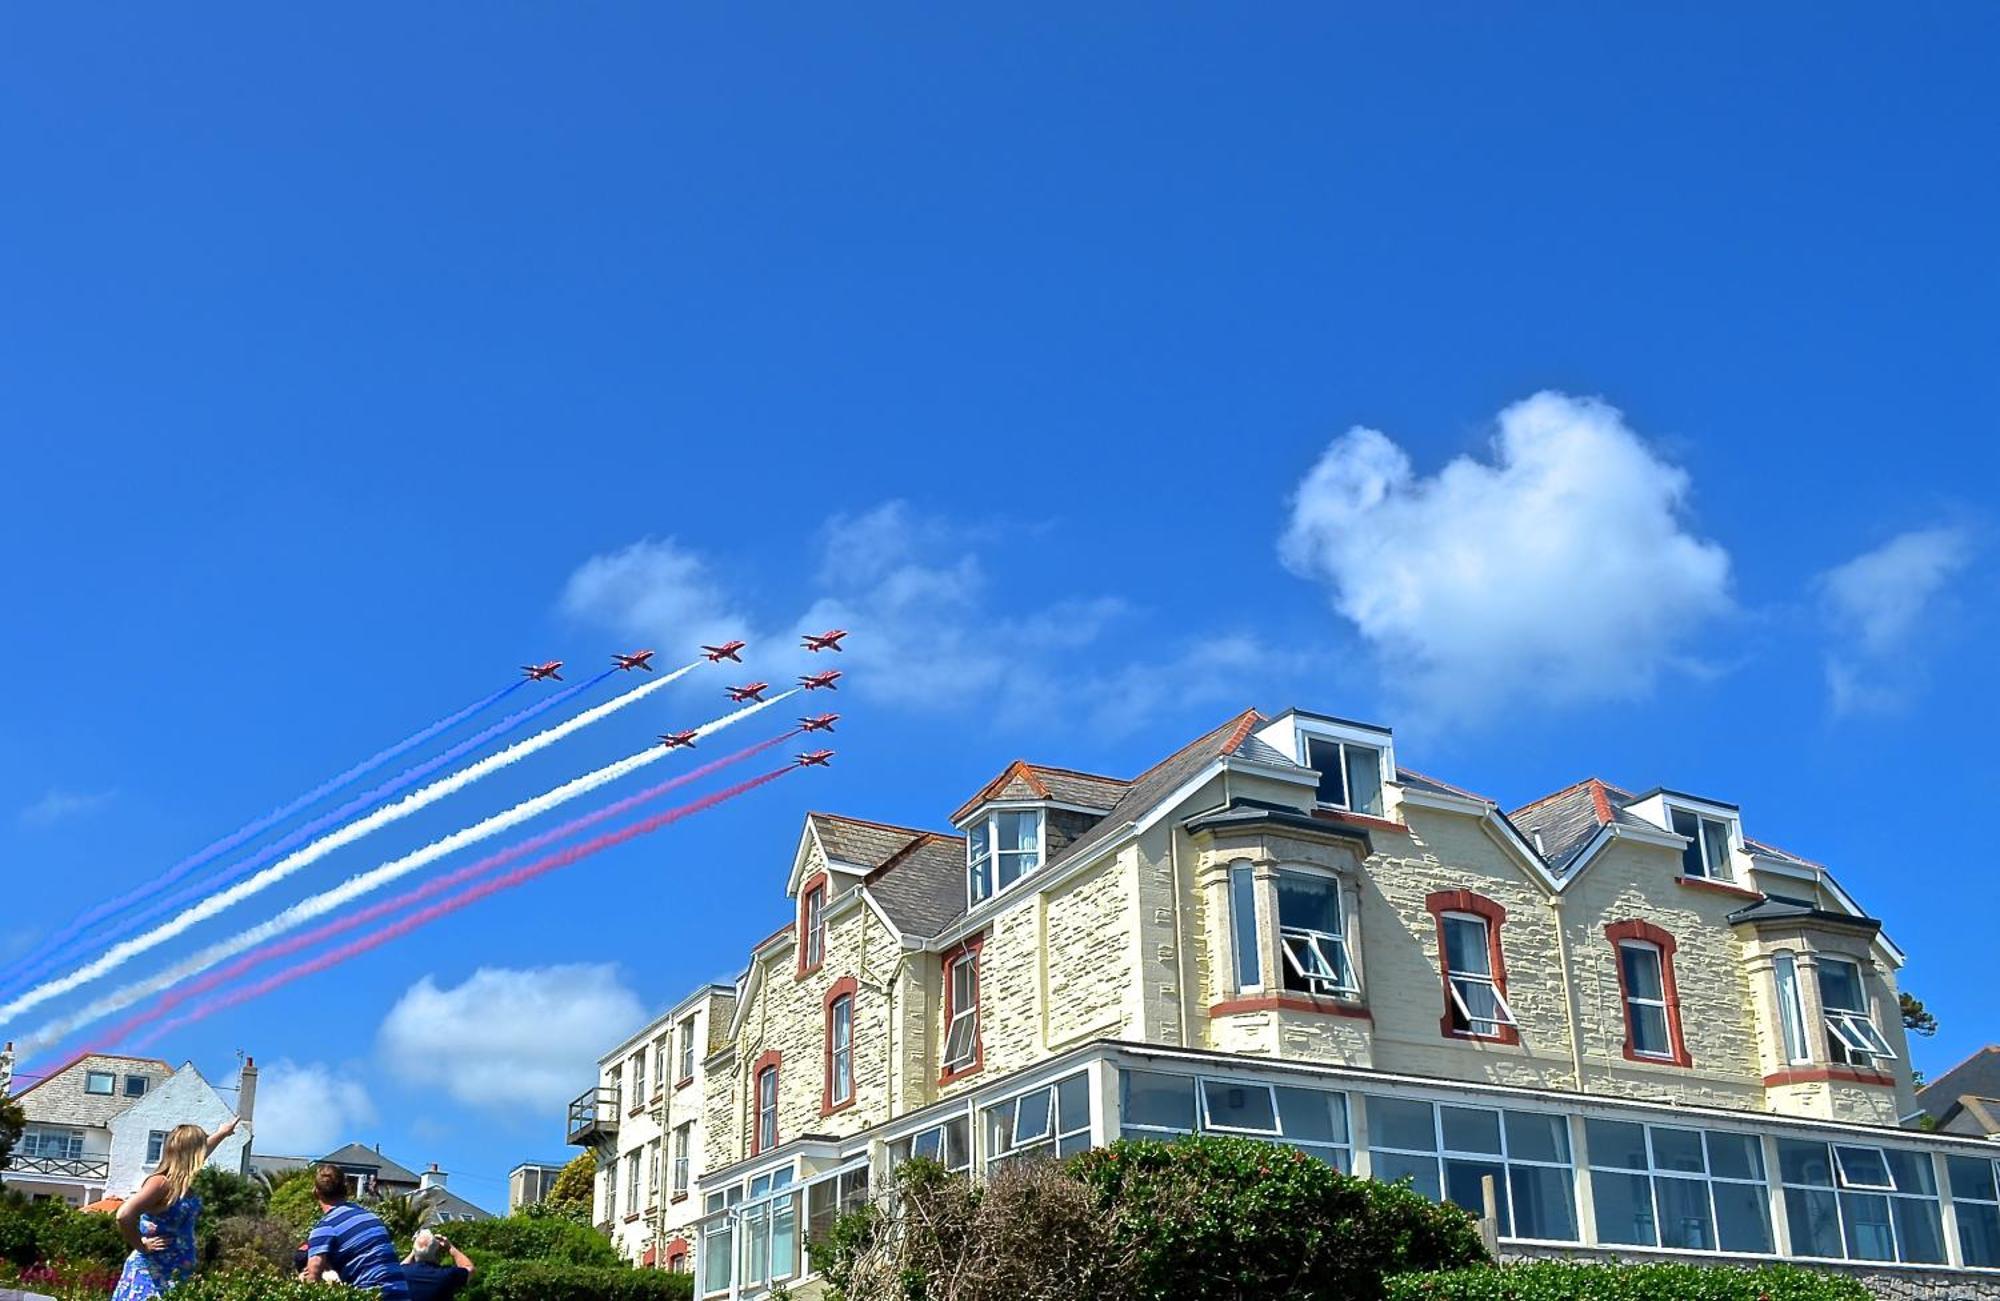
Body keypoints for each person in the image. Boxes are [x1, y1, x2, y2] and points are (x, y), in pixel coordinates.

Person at [111, 1115, 240, 1300]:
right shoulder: (161, 1183)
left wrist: (222, 1133)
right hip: (153, 1273)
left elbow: (205, 1151)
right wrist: (141, 1245)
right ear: (192, 1152)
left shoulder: (182, 1182)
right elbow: (124, 1215)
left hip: (175, 1273)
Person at [301, 1165, 410, 1298]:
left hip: (371, 1296)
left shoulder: (324, 1228)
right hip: (402, 1295)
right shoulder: (372, 1218)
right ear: (346, 1189)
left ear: (316, 1192)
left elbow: (313, 1278)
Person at [398, 1228, 475, 1301]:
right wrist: (450, 1247)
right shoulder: (447, 1274)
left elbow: (399, 1268)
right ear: (437, 1251)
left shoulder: (402, 1274)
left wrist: (416, 1250)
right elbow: (470, 1269)